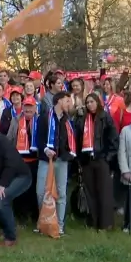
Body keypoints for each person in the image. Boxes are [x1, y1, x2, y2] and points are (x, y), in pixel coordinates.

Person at [75, 93, 119, 231]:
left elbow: (114, 139)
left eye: (92, 102)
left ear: (97, 102)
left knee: (104, 192)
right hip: (87, 160)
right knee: (90, 192)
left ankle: (106, 223)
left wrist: (107, 157)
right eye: (87, 102)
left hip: (101, 159)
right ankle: (93, 220)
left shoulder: (105, 117)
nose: (89, 104)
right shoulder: (82, 119)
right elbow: (78, 139)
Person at [35, 91, 76, 235]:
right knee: (41, 192)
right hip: (46, 160)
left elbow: (70, 140)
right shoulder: (44, 117)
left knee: (61, 193)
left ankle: (59, 224)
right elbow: (38, 139)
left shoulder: (67, 120)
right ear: (59, 101)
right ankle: (43, 222)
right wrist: (46, 149)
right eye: (67, 101)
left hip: (62, 160)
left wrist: (68, 153)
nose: (69, 104)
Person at [6, 96, 40, 226]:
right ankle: (21, 217)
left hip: (34, 160)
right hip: (19, 161)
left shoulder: (39, 120)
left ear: (35, 108)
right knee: (20, 190)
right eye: (26, 106)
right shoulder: (16, 120)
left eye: (30, 107)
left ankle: (35, 215)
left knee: (34, 190)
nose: (28, 109)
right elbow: (9, 138)